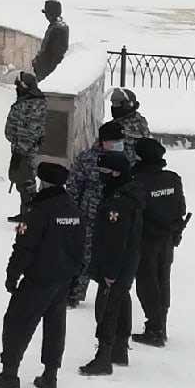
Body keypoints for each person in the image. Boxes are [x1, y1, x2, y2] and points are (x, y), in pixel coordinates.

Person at [0, 160, 84, 388]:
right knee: (55, 326)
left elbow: (24, 248)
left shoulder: (39, 212)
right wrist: (75, 276)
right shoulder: (74, 211)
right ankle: (50, 375)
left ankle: (9, 374)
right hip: (62, 279)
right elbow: (79, 248)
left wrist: (12, 275)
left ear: (43, 182)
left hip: (39, 278)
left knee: (17, 322)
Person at [78, 149, 143, 376]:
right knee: (120, 302)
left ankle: (104, 356)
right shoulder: (126, 193)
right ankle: (119, 350)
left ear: (115, 173)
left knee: (107, 309)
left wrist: (110, 271)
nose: (100, 175)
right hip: (126, 262)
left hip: (115, 265)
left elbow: (116, 239)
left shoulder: (118, 202)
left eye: (104, 171)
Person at [129, 137, 189, 347]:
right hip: (167, 238)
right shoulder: (172, 179)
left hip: (145, 240)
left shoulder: (137, 181)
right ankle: (160, 324)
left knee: (147, 283)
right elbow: (180, 208)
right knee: (163, 281)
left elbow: (134, 214)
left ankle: (154, 328)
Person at [65, 120, 125, 307]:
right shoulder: (88, 159)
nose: (119, 144)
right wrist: (74, 212)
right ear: (104, 141)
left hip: (117, 214)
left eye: (120, 140)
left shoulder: (127, 157)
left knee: (114, 255)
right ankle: (74, 292)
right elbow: (74, 186)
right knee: (84, 254)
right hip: (90, 215)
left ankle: (111, 294)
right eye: (114, 141)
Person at [3, 71, 48, 221]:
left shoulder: (30, 104)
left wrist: (20, 151)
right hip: (22, 148)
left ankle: (30, 215)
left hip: (23, 150)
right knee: (23, 181)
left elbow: (28, 131)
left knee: (26, 181)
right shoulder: (32, 101)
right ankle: (26, 212)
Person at [32, 0, 70, 80]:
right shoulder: (57, 26)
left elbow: (55, 53)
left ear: (51, 14)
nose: (46, 16)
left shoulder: (57, 28)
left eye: (47, 13)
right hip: (45, 69)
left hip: (47, 71)